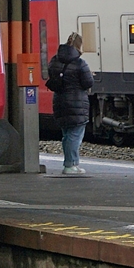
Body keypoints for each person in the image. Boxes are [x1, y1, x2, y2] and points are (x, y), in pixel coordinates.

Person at [47, 31, 94, 175]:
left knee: (67, 134)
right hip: (76, 103)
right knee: (75, 135)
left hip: (60, 101)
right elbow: (88, 82)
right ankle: (70, 165)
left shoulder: (55, 60)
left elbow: (51, 76)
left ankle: (73, 163)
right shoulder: (80, 63)